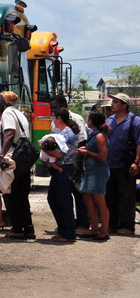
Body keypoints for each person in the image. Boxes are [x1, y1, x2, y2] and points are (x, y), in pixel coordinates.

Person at [0, 91, 35, 239]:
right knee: (22, 196)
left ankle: (17, 229)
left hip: (11, 159)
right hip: (23, 158)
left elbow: (10, 133)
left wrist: (1, 155)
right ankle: (28, 228)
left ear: (5, 101)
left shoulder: (7, 113)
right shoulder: (20, 113)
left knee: (10, 194)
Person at [49, 94, 89, 233]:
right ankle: (67, 224)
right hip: (59, 164)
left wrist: (80, 164)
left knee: (78, 195)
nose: (52, 110)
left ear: (64, 106)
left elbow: (83, 141)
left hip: (73, 163)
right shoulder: (54, 121)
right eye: (51, 108)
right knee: (57, 198)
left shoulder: (76, 119)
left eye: (55, 107)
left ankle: (82, 225)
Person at [42, 108, 80, 242]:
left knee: (63, 201)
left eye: (54, 118)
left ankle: (68, 233)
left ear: (59, 119)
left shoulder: (67, 134)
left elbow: (58, 154)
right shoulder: (62, 133)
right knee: (53, 199)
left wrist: (43, 147)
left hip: (65, 169)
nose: (53, 121)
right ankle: (64, 230)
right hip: (61, 169)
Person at [104, 93, 140, 235]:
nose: (112, 104)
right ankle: (113, 224)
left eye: (116, 102)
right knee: (110, 195)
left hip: (126, 164)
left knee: (127, 197)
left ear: (124, 105)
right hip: (110, 164)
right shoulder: (110, 120)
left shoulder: (135, 121)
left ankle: (128, 226)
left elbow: (139, 143)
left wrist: (137, 162)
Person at [76, 111, 111, 241]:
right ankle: (94, 228)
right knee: (88, 199)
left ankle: (104, 231)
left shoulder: (99, 137)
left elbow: (103, 157)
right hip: (91, 171)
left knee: (99, 201)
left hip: (98, 172)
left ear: (91, 121)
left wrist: (86, 152)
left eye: (88, 119)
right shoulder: (94, 135)